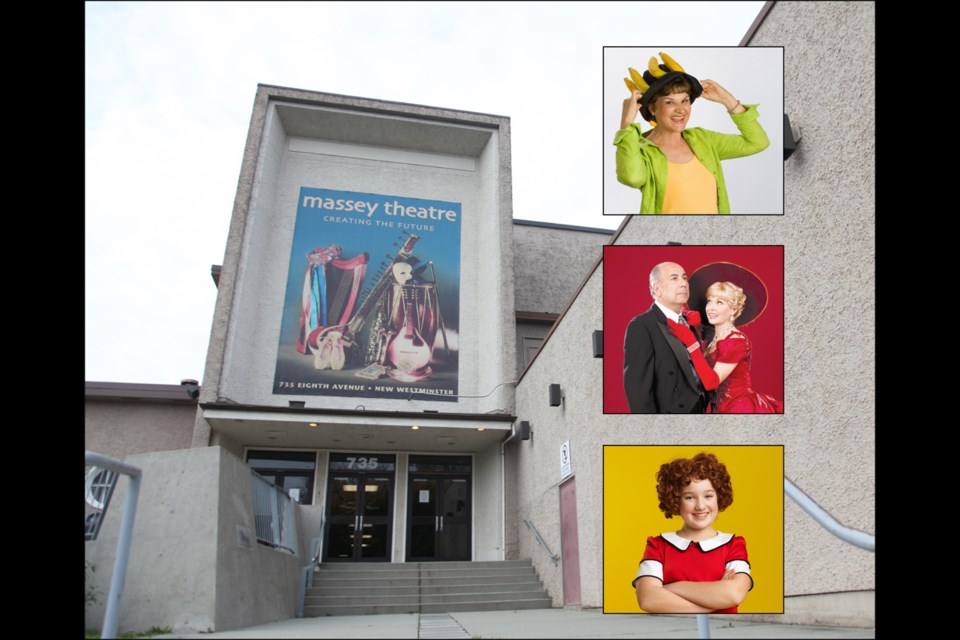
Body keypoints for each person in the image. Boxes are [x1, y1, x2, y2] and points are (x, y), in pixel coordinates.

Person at [614, 52, 769, 214]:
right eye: (669, 102)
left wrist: (728, 100)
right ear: (652, 108)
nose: (680, 110)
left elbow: (758, 142)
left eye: (685, 100)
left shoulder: (703, 139)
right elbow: (632, 177)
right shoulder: (640, 150)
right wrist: (626, 123)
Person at [632, 452, 752, 613]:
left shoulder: (733, 544)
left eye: (708, 496)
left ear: (718, 497)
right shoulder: (658, 545)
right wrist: (713, 604)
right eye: (689, 497)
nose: (700, 506)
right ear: (675, 500)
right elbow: (648, 600)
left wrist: (670, 587)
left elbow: (733, 594)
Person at [667, 280, 783, 414]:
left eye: (719, 303)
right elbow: (700, 329)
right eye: (709, 301)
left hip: (739, 408)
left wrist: (691, 343)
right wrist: (688, 316)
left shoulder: (736, 341)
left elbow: (711, 382)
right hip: (717, 409)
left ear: (733, 309)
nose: (710, 308)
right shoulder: (712, 335)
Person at [622, 262, 711, 413]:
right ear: (657, 289)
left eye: (684, 278)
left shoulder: (690, 322)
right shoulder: (642, 326)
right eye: (674, 278)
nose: (683, 283)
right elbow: (638, 391)